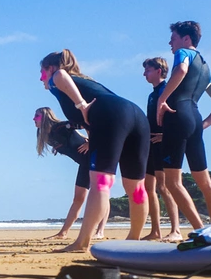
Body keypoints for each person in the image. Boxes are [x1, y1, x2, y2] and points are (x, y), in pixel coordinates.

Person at [40, 49, 150, 252]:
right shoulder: (87, 82)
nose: (41, 78)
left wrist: (81, 105)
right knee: (136, 187)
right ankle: (134, 240)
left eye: (42, 72)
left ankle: (82, 242)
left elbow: (61, 76)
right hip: (136, 116)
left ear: (51, 68)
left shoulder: (58, 78)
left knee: (101, 182)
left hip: (112, 116)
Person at [155, 21, 211, 227]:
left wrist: (162, 100)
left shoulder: (184, 53)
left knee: (172, 182)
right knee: (205, 182)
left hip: (177, 117)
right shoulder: (206, 69)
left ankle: (200, 230)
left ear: (186, 39)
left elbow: (180, 70)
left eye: (174, 38)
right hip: (194, 119)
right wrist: (202, 124)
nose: (170, 42)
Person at [33, 107, 106, 241]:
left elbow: (87, 124)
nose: (33, 119)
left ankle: (100, 231)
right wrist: (59, 148)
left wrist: (91, 142)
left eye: (36, 116)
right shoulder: (45, 135)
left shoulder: (61, 127)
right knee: (78, 198)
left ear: (45, 117)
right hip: (84, 163)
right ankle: (63, 233)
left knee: (100, 192)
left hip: (97, 158)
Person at [142, 58, 184, 242]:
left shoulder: (168, 91)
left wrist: (165, 135)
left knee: (164, 186)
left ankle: (176, 229)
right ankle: (156, 230)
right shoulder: (152, 95)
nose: (144, 74)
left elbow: (179, 117)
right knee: (148, 187)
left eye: (148, 70)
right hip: (150, 144)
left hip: (163, 143)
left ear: (159, 70)